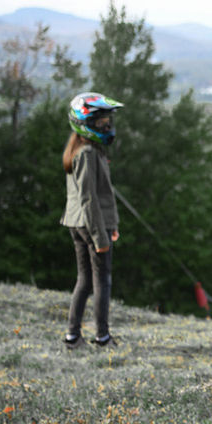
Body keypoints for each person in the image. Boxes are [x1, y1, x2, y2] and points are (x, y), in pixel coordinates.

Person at [60, 92, 124, 349]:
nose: (106, 127)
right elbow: (89, 199)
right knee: (101, 283)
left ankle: (73, 337)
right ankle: (102, 338)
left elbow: (101, 195)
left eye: (107, 121)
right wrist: (100, 237)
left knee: (85, 280)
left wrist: (113, 225)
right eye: (101, 123)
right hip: (89, 226)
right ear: (85, 123)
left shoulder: (88, 150)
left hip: (81, 223)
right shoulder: (86, 153)